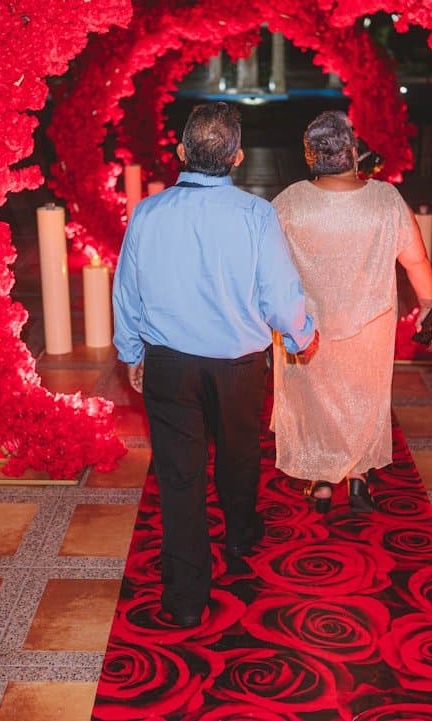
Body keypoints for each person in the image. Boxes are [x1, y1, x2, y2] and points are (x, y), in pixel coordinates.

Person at [112, 102, 317, 628]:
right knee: (238, 452)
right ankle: (241, 533)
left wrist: (131, 351)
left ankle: (185, 598)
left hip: (170, 363)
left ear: (181, 152)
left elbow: (127, 291)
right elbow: (278, 294)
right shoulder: (256, 215)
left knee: (179, 477)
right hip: (237, 366)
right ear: (238, 157)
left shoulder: (147, 213)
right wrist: (302, 334)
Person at [271, 110, 432, 514]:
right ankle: (358, 479)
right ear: (352, 152)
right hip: (369, 326)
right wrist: (428, 305)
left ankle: (321, 483)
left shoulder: (290, 202)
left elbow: (266, 267)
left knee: (312, 398)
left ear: (311, 157)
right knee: (362, 398)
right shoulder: (385, 200)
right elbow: (416, 260)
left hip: (308, 328)